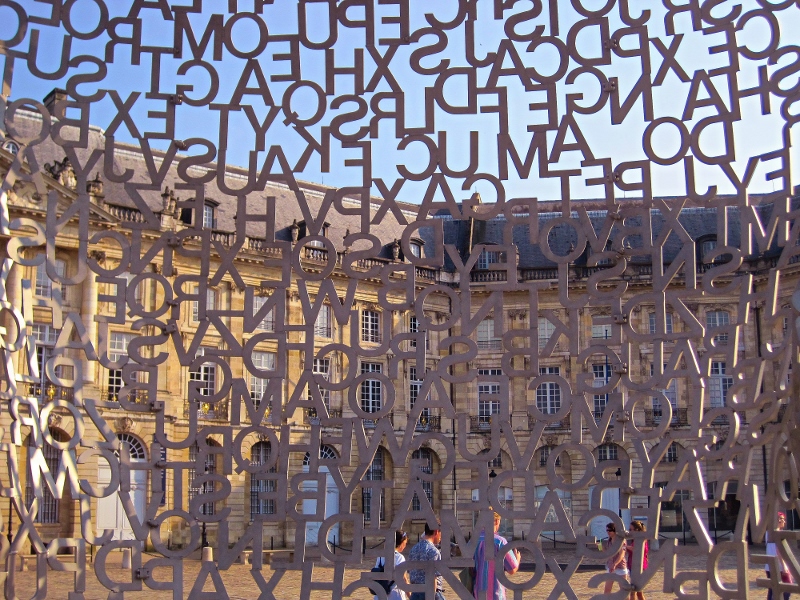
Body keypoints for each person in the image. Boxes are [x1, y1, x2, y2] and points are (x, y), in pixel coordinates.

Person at [473, 511, 521, 600]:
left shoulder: (473, 541)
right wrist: (517, 559)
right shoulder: (500, 542)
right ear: (496, 521)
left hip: (478, 593)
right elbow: (512, 569)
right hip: (495, 594)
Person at [408, 521, 445, 600]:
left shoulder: (413, 549)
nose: (441, 537)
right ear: (436, 531)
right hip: (430, 592)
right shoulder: (433, 551)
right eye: (441, 534)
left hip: (415, 592)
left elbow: (410, 572)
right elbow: (433, 577)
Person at [373, 530, 410, 600]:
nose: (405, 546)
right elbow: (404, 579)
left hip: (380, 594)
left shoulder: (380, 556)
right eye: (405, 543)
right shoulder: (399, 557)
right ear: (401, 543)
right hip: (395, 595)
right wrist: (411, 596)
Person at [766, 511, 793, 600]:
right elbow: (779, 551)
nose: (784, 521)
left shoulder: (768, 533)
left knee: (772, 589)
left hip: (769, 566)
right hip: (779, 566)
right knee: (787, 588)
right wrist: (784, 566)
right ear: (776, 520)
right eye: (782, 519)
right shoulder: (779, 534)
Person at [601, 523, 628, 594]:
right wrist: (601, 547)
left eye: (610, 530)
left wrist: (615, 564)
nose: (608, 532)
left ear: (615, 531)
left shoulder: (621, 540)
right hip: (610, 566)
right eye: (607, 530)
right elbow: (607, 554)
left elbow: (622, 554)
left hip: (620, 567)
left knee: (624, 591)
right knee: (607, 591)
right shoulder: (609, 541)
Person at [627, 520, 649, 600]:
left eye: (631, 529)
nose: (630, 531)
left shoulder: (641, 540)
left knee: (633, 591)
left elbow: (636, 549)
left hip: (639, 567)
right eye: (629, 529)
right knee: (639, 592)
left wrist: (625, 546)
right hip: (633, 565)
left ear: (637, 530)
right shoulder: (635, 539)